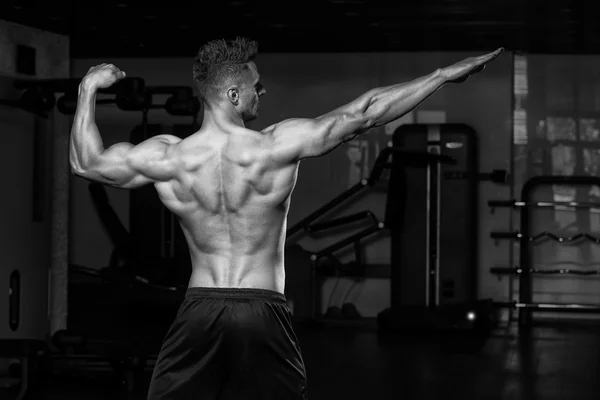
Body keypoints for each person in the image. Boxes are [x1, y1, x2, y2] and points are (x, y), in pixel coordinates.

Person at [69, 37, 504, 399]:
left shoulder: (168, 156)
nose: (264, 92)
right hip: (261, 310)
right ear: (232, 95)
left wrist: (89, 87)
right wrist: (442, 76)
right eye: (257, 86)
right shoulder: (273, 146)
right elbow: (364, 113)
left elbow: (86, 163)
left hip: (199, 308)